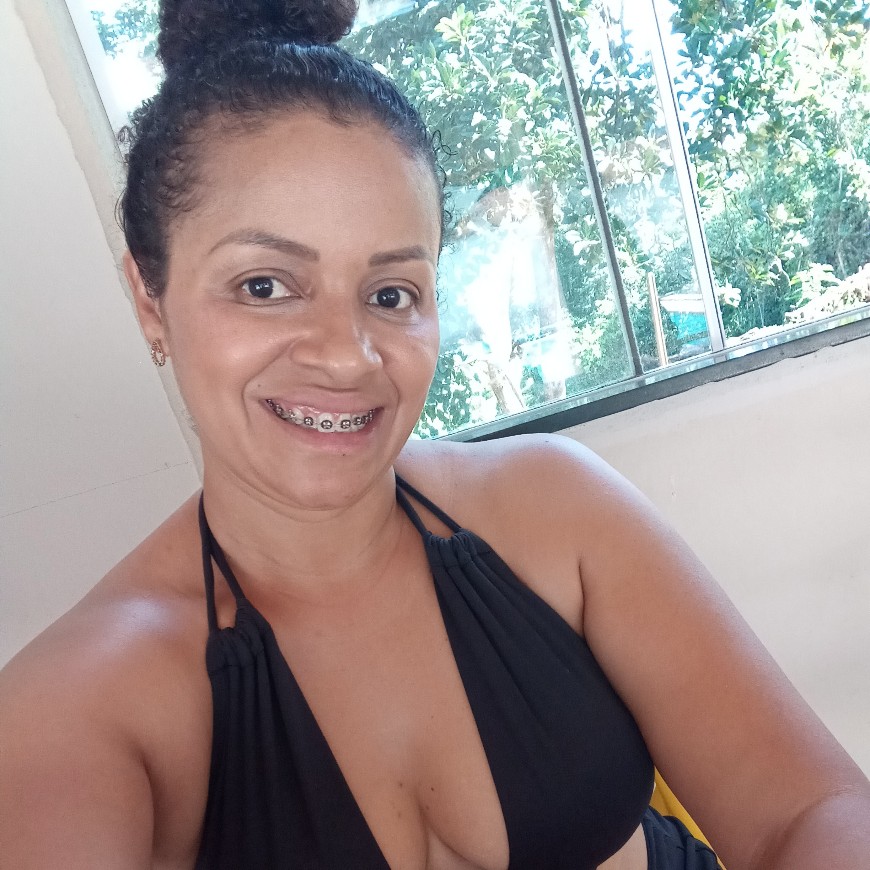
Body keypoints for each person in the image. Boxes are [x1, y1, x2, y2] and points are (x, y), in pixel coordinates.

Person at [1, 1, 869, 867]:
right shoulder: (80, 707)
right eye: (264, 285)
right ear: (149, 299)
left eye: (391, 295)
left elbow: (807, 811)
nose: (347, 355)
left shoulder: (553, 509)